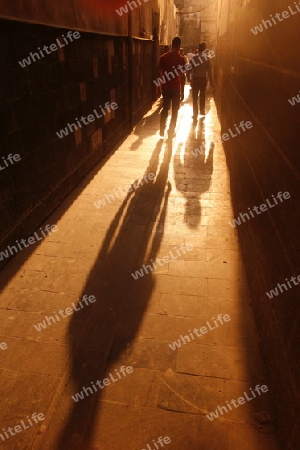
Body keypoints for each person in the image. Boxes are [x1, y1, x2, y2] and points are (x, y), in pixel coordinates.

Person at [159, 36, 186, 137]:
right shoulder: (181, 59)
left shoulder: (163, 58)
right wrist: (182, 91)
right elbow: (182, 75)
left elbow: (160, 72)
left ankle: (162, 129)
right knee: (175, 111)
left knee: (165, 108)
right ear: (179, 46)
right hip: (176, 88)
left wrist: (159, 88)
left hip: (166, 87)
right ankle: (171, 130)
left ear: (171, 44)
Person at [190, 42, 214, 121]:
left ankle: (195, 113)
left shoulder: (194, 58)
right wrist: (211, 82)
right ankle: (202, 110)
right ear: (204, 50)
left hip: (195, 78)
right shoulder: (207, 58)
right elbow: (210, 72)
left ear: (199, 49)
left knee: (194, 97)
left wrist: (189, 78)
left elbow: (190, 69)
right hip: (203, 79)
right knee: (202, 95)